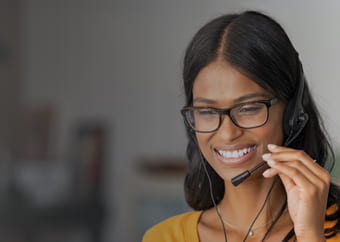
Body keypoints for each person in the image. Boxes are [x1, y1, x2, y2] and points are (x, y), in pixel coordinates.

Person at [143, 11, 340, 241]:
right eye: (207, 111)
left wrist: (310, 235)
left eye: (248, 108)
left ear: (292, 112)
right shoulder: (164, 237)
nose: (227, 134)